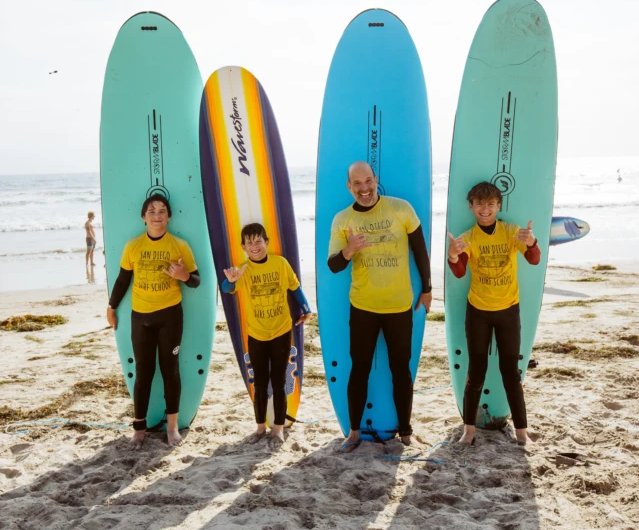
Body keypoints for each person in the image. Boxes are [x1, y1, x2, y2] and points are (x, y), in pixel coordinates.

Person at [328, 161, 432, 450]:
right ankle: (353, 432)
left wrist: (427, 288)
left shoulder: (401, 209)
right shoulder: (342, 220)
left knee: (401, 369)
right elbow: (333, 265)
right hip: (363, 306)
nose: (364, 188)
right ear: (349, 187)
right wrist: (349, 250)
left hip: (399, 305)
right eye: (357, 184)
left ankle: (407, 430)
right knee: (359, 368)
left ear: (376, 179)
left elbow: (420, 250)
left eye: (368, 181)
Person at [447, 181, 540, 447]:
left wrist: (532, 243)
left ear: (498, 206)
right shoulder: (469, 238)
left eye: (490, 204)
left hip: (508, 310)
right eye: (480, 204)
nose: (485, 209)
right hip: (478, 312)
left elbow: (534, 259)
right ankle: (469, 429)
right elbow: (460, 271)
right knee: (476, 372)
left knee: (510, 372)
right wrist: (453, 256)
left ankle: (522, 432)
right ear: (471, 207)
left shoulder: (512, 232)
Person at [106, 194, 201, 449]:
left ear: (169, 216)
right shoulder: (133, 246)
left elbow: (196, 279)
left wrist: (183, 275)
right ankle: (139, 428)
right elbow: (123, 279)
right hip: (141, 318)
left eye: (161, 211)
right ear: (143, 217)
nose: (157, 215)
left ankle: (172, 427)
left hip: (170, 316)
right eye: (151, 211)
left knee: (170, 370)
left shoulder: (179, 245)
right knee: (143, 372)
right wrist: (112, 306)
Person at [221, 223, 311, 451]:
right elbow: (227, 288)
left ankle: (278, 429)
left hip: (281, 331)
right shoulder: (243, 270)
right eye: (249, 242)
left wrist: (306, 307)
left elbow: (295, 286)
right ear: (243, 247)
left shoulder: (280, 264)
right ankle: (260, 427)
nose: (254, 246)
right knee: (260, 384)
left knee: (279, 382)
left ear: (266, 242)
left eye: (258, 240)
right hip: (257, 334)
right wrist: (231, 280)